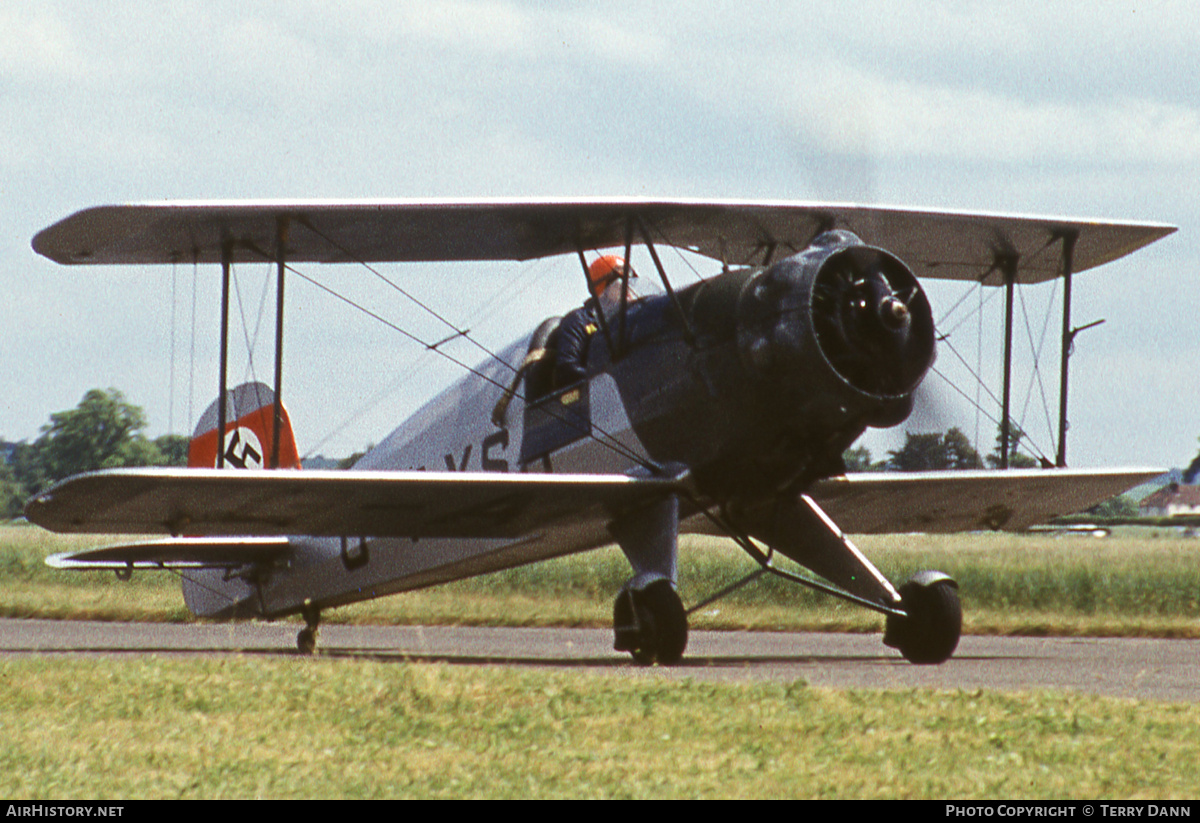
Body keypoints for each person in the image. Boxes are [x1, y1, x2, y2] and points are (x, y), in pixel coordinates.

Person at [553, 255, 637, 387]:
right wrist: (609, 377)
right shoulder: (579, 320)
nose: (628, 288)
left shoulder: (632, 318)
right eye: (622, 283)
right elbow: (566, 369)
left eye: (630, 282)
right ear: (603, 288)